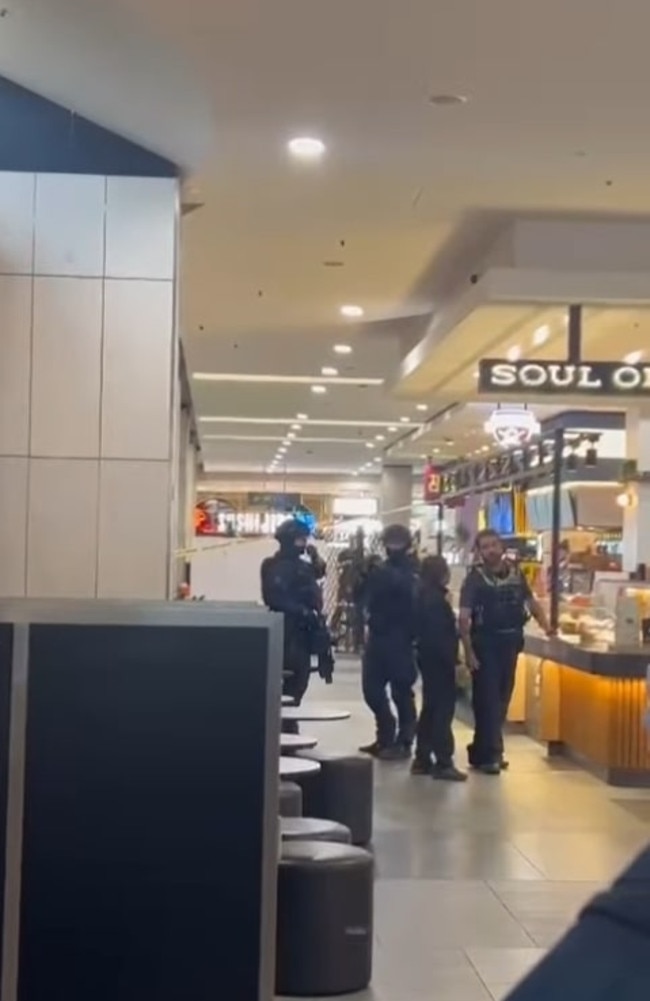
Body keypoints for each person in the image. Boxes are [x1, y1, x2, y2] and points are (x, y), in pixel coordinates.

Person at [459, 529, 552, 775]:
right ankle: (491, 754)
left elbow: (531, 603)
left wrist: (547, 625)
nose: (490, 550)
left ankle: (482, 751)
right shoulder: (475, 579)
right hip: (485, 644)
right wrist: (468, 651)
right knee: (487, 701)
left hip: (510, 643)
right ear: (479, 552)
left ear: (501, 546)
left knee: (501, 700)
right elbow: (464, 617)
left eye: (493, 544)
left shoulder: (516, 573)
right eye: (485, 546)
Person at [359, 523, 418, 760]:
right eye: (390, 542)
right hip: (378, 634)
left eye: (398, 543)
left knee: (402, 691)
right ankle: (385, 733)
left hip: (401, 636)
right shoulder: (379, 569)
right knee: (371, 690)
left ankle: (404, 741)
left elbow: (408, 593)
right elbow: (361, 596)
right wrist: (363, 575)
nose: (393, 547)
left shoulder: (413, 570)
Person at [411, 555, 466, 781]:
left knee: (430, 709)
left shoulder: (422, 596)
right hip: (439, 662)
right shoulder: (436, 602)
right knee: (442, 711)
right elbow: (440, 638)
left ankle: (422, 758)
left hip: (427, 659)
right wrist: (454, 662)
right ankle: (444, 761)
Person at [261, 517, 326, 705]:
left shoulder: (303, 566)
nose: (303, 544)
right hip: (287, 631)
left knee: (299, 682)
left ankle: (290, 723)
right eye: (300, 540)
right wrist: (303, 612)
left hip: (303, 632)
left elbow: (319, 572)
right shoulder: (273, 566)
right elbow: (274, 597)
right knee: (292, 681)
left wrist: (315, 557)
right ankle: (285, 724)